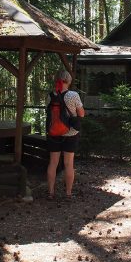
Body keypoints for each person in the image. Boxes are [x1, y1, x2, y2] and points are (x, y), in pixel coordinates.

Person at [46, 70, 84, 200]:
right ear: (68, 80)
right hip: (71, 133)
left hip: (54, 133)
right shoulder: (73, 95)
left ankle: (51, 192)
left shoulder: (51, 95)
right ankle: (68, 193)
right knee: (69, 164)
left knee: (53, 163)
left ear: (57, 79)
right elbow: (81, 114)